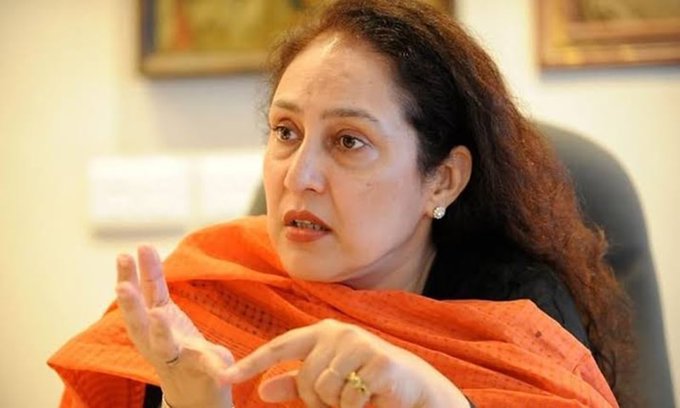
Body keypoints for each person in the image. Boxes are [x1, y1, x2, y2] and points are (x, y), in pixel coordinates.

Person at [49, 0, 635, 407]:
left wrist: (433, 398)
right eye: (285, 132)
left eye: (348, 141)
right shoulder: (208, 292)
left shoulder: (516, 316)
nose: (299, 175)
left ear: (442, 180)